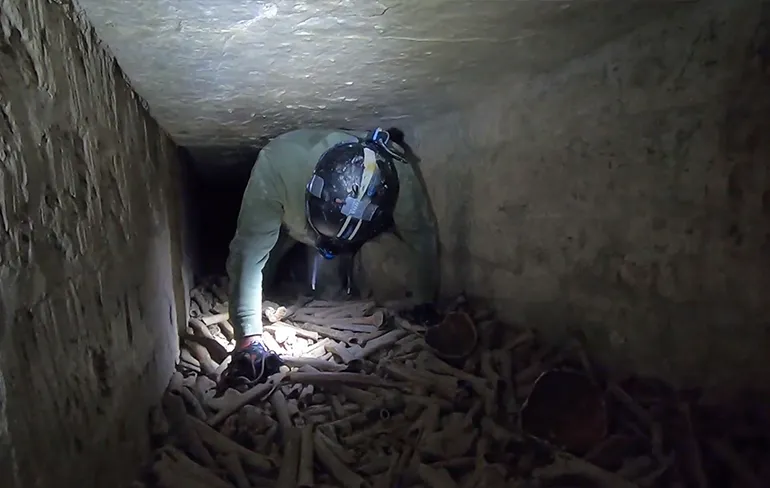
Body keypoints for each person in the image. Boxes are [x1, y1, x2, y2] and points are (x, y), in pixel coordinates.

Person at [221, 127, 439, 387]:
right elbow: (247, 253)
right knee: (265, 262)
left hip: (354, 234)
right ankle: (259, 299)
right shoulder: (275, 169)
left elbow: (420, 233)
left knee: (332, 283)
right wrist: (248, 339)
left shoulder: (395, 173)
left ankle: (340, 279)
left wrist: (425, 300)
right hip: (291, 220)